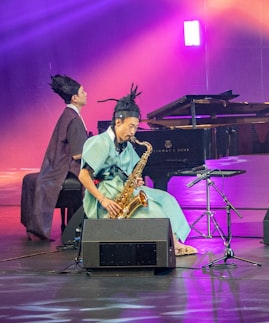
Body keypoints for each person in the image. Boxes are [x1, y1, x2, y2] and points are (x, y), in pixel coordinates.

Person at [77, 85, 196, 255]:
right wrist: (103, 200)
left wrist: (136, 180)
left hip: (123, 188)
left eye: (135, 127)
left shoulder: (127, 145)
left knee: (166, 198)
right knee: (154, 208)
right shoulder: (100, 142)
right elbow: (83, 175)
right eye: (130, 126)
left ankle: (175, 240)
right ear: (118, 122)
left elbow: (132, 172)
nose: (133, 131)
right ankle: (173, 245)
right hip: (106, 193)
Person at [22, 74, 90, 240]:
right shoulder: (73, 118)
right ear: (75, 98)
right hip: (66, 168)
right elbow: (76, 154)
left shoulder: (69, 114)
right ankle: (85, 224)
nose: (86, 93)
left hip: (60, 164)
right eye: (83, 91)